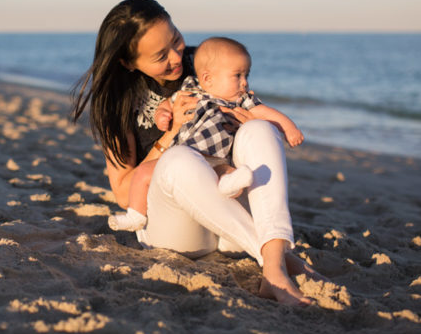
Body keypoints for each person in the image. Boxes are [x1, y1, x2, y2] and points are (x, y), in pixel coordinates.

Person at [71, 0, 321, 306]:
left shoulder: (205, 62)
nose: (177, 57)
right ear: (128, 62)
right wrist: (171, 134)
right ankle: (277, 256)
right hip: (178, 233)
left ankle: (272, 264)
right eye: (161, 56)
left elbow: (246, 106)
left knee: (260, 128)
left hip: (231, 221)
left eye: (176, 40)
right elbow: (124, 194)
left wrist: (246, 122)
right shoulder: (116, 103)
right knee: (179, 159)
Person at [108, 37, 304, 232]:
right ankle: (135, 216)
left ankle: (231, 183)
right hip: (182, 158)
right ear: (208, 78)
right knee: (143, 173)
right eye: (237, 76)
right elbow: (167, 103)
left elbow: (266, 112)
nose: (244, 83)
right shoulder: (191, 89)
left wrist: (288, 128)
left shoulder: (241, 100)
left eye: (246, 75)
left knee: (225, 171)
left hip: (216, 157)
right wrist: (163, 116)